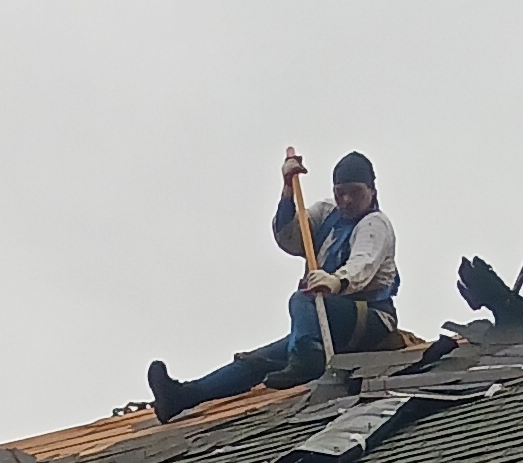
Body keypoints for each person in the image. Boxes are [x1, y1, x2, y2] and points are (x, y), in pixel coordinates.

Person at [147, 151, 400, 422]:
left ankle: (306, 361)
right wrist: (288, 190)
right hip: (320, 321)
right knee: (256, 361)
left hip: (367, 319)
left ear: (372, 191)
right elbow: (290, 236)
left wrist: (335, 281)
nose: (347, 200)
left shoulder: (375, 224)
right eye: (341, 192)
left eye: (355, 192)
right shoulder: (327, 213)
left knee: (302, 300)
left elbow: (363, 264)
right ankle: (182, 396)